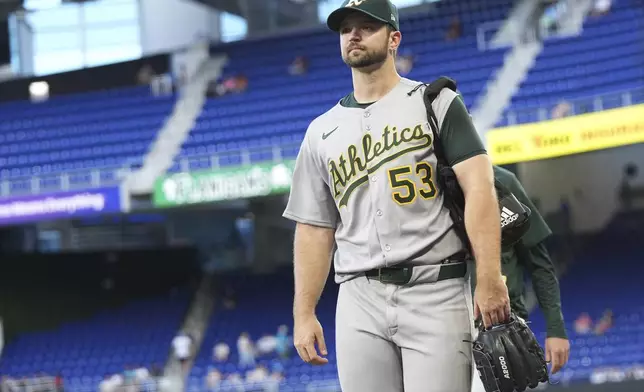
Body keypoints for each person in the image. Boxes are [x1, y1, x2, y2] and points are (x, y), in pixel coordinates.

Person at [282, 1, 510, 391]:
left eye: (367, 26)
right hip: (358, 295)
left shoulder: (436, 103)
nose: (353, 34)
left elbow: (480, 190)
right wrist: (304, 312)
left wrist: (489, 277)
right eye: (345, 28)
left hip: (435, 285)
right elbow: (314, 228)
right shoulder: (320, 132)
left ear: (394, 39)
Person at [470, 166, 570, 392]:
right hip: (448, 328)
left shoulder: (502, 181)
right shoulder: (428, 189)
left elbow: (540, 264)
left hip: (503, 331)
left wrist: (556, 329)